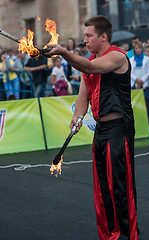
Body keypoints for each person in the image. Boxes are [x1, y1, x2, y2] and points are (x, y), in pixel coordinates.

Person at [45, 15, 138, 240]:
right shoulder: (89, 59)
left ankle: (125, 237)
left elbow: (90, 68)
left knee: (119, 189)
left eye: (88, 35)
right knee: (102, 189)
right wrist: (77, 115)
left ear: (103, 36)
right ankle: (108, 236)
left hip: (118, 131)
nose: (84, 39)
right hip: (101, 132)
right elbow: (83, 95)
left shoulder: (116, 56)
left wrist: (64, 52)